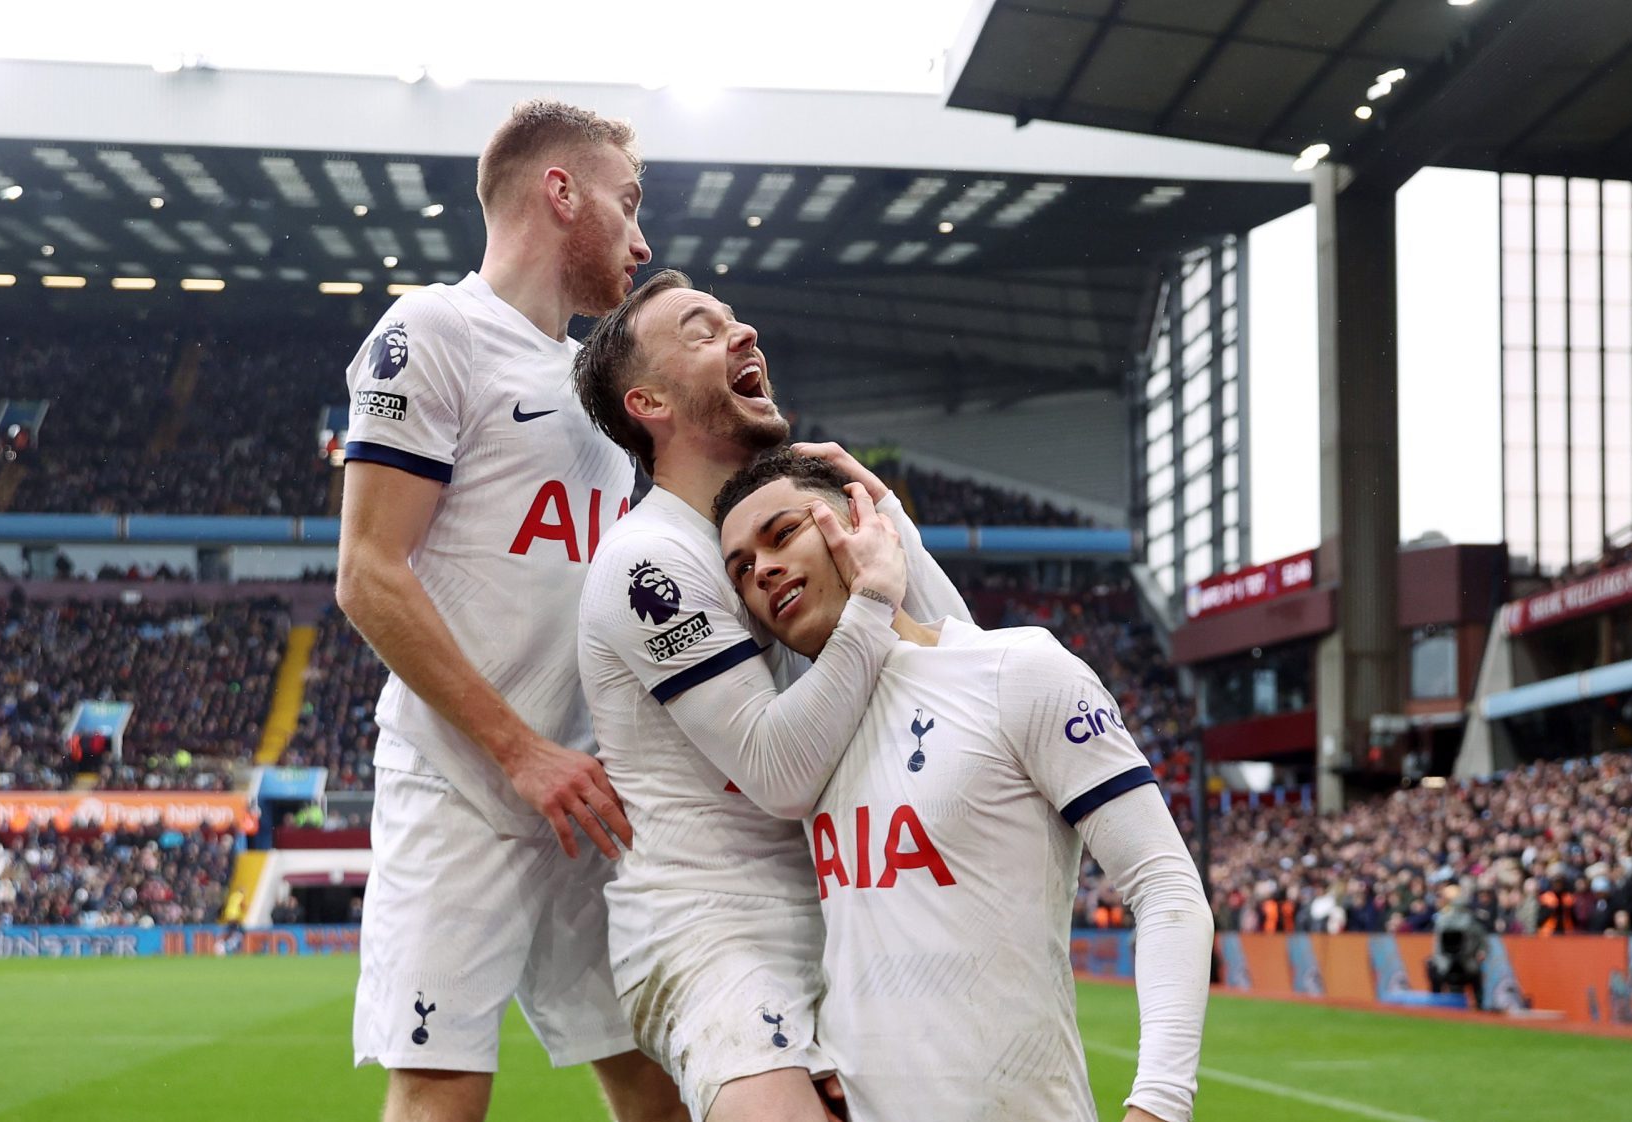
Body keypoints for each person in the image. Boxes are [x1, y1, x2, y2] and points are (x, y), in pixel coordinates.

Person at [330, 98, 678, 1121]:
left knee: (662, 1088)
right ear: (560, 192)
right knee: (442, 1096)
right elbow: (367, 573)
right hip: (464, 785)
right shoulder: (434, 329)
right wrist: (519, 750)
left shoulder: (597, 385)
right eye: (628, 203)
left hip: (584, 796)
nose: (642, 240)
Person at [570, 269, 971, 1120]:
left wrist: (883, 514)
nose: (744, 332)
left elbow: (960, 672)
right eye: (702, 330)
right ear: (649, 402)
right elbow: (778, 772)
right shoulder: (649, 561)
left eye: (734, 319)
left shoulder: (773, 539)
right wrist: (871, 600)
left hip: (844, 925)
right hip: (714, 936)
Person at [713, 451, 1211, 1122]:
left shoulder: (1016, 670)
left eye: (782, 534)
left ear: (860, 522)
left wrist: (1160, 1104)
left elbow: (1165, 885)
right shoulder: (802, 747)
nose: (763, 570)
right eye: (741, 569)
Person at [1427, 884, 1487, 1009]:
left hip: (1463, 963)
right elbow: (1438, 947)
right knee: (1432, 967)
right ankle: (1437, 1003)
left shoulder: (1470, 923)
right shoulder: (1445, 921)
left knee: (1432, 966)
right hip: (1453, 963)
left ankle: (1478, 1006)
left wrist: (1481, 952)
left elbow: (1482, 943)